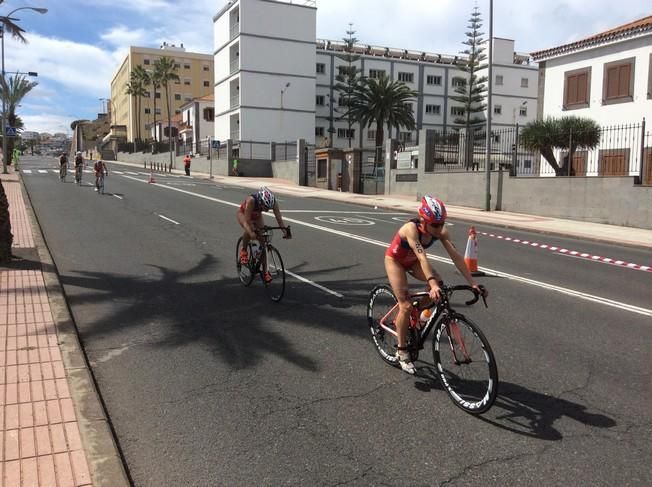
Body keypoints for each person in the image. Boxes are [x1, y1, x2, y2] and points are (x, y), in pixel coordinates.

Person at [384, 195, 487, 375]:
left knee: (439, 285)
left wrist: (473, 283)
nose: (439, 229)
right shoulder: (411, 229)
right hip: (396, 261)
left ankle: (415, 315)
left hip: (413, 261)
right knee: (406, 305)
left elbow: (456, 257)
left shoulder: (441, 231)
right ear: (423, 221)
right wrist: (431, 284)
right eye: (435, 225)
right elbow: (423, 256)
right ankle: (401, 351)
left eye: (442, 224)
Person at [237, 186, 291, 283]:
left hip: (257, 215)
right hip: (244, 214)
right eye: (265, 207)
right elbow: (247, 221)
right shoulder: (251, 201)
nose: (267, 210)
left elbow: (279, 218)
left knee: (263, 242)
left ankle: (265, 271)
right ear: (261, 201)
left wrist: (284, 230)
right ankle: (244, 251)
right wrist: (251, 232)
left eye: (268, 208)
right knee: (249, 230)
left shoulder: (273, 202)